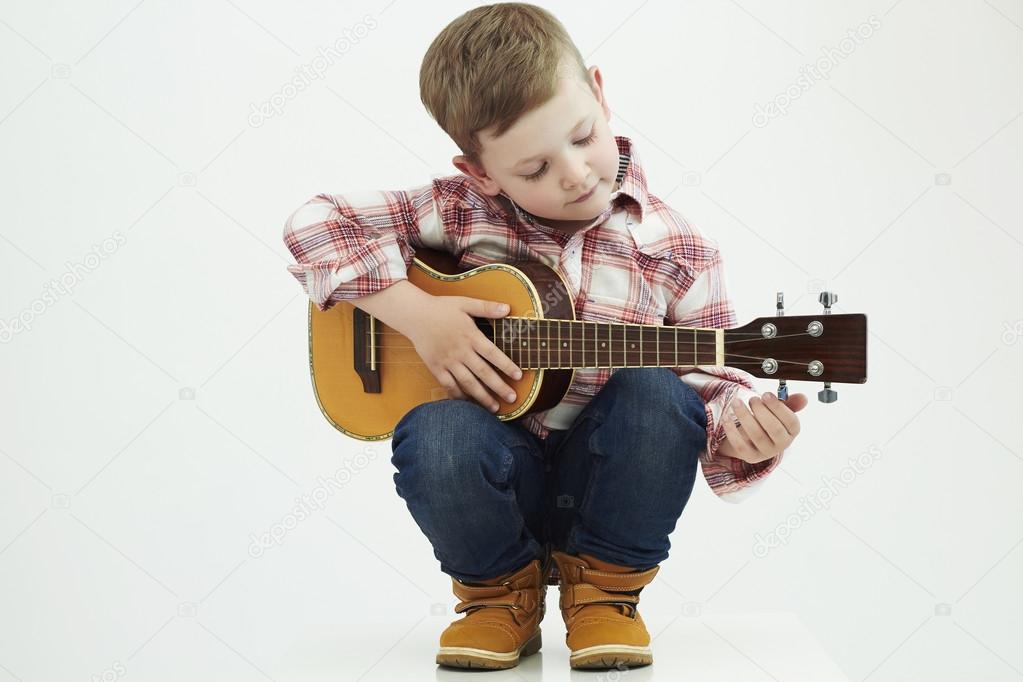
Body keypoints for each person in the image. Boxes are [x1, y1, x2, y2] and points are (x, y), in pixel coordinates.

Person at [282, 2, 807, 671]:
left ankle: (605, 597)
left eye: (582, 136)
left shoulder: (677, 247)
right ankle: (497, 599)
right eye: (532, 170)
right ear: (479, 172)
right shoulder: (457, 212)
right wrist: (420, 317)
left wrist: (740, 429)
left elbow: (713, 381)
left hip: (613, 487)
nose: (574, 173)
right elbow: (313, 221)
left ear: (597, 90)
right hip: (493, 483)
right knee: (436, 430)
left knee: (656, 395)